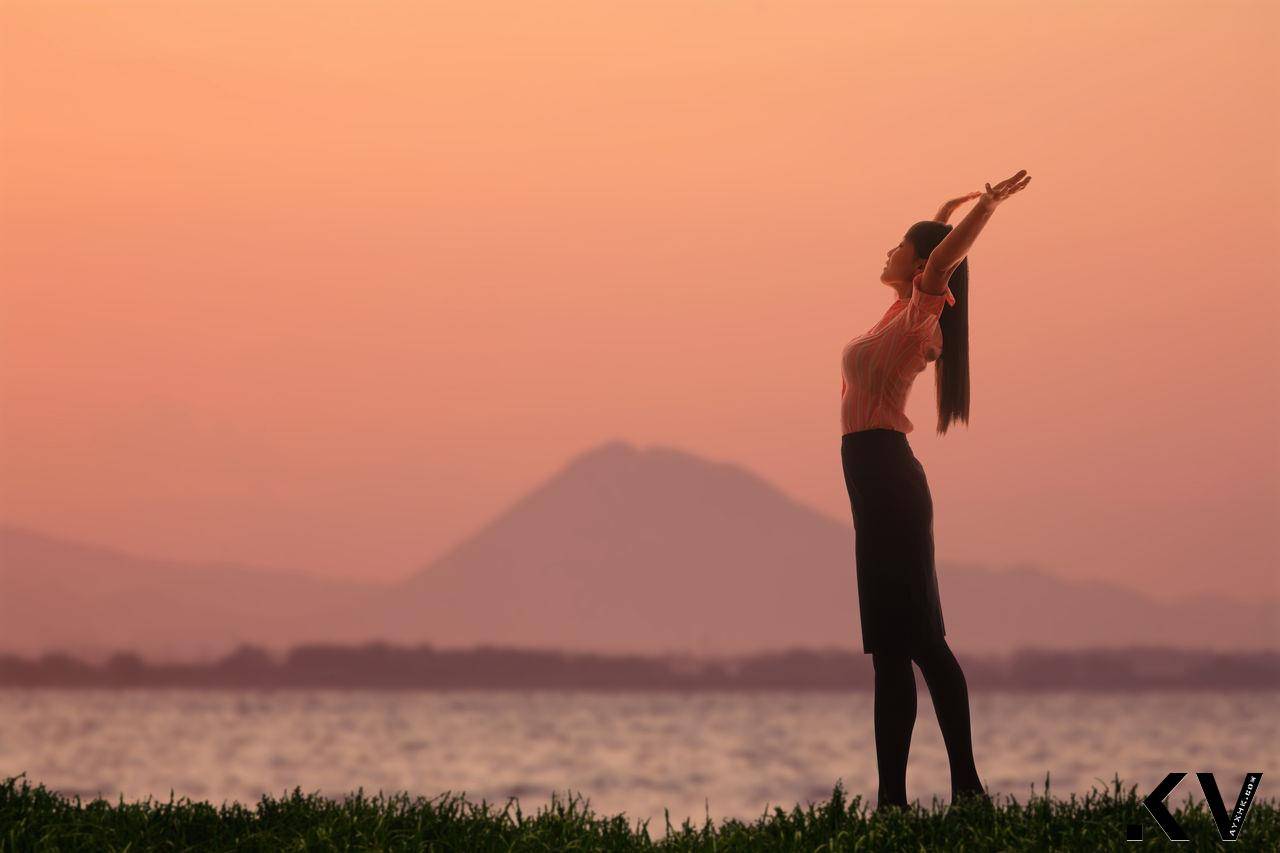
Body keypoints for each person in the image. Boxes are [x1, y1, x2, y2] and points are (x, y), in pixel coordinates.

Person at [839, 170, 1032, 811]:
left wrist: (987, 207)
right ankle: (891, 803)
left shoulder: (924, 306)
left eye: (899, 243)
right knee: (888, 651)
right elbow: (935, 249)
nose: (886, 249)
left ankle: (968, 789)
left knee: (921, 640)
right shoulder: (899, 311)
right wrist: (943, 214)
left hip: (889, 479)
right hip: (872, 485)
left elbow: (944, 258)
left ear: (920, 265)